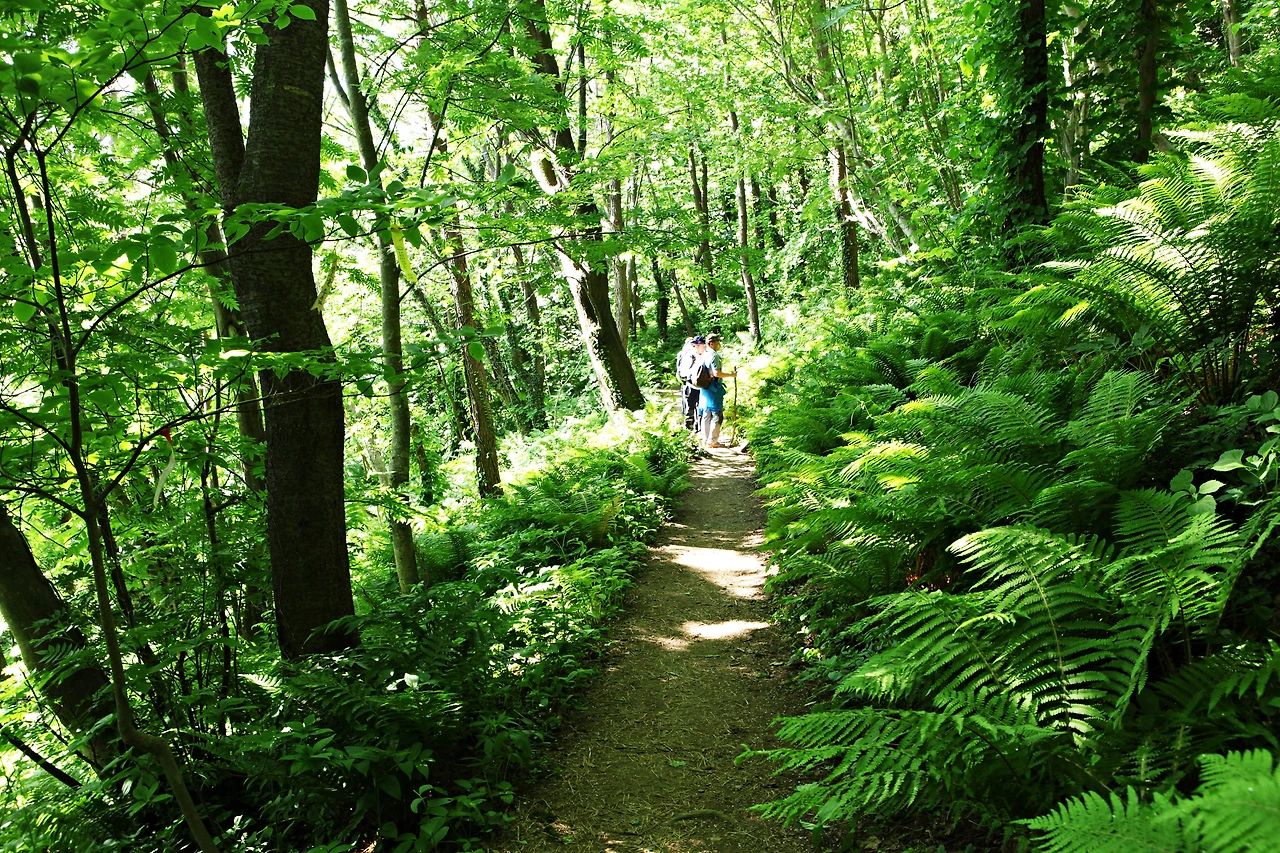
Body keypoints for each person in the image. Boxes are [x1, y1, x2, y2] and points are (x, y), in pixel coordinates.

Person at [697, 333, 736, 448]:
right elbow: (716, 373)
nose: (719, 344)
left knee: (706, 414)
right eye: (718, 342)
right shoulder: (714, 356)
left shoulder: (704, 354)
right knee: (717, 415)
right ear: (711, 344)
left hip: (704, 387)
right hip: (714, 388)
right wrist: (731, 375)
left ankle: (706, 439)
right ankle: (713, 441)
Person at [676, 334, 707, 431]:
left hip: (698, 386)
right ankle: (688, 430)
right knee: (690, 408)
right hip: (690, 385)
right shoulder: (689, 355)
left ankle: (697, 429)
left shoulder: (701, 355)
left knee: (699, 407)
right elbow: (684, 371)